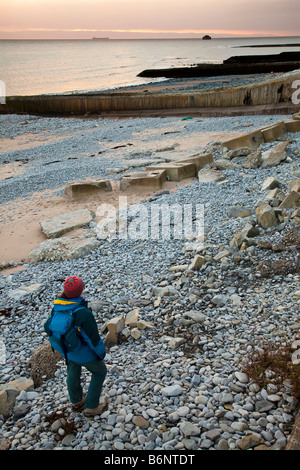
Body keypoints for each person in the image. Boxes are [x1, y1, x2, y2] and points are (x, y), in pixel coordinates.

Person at [45, 276, 107, 417]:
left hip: (67, 350)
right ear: (81, 291)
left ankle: (76, 401)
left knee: (72, 371)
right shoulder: (82, 313)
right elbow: (92, 339)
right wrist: (101, 354)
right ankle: (91, 407)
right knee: (100, 372)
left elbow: (51, 327)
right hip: (82, 353)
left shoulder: (57, 306)